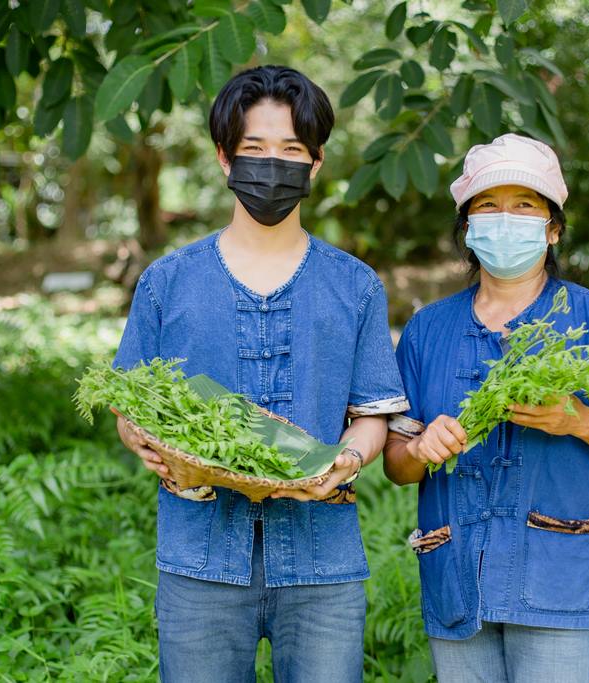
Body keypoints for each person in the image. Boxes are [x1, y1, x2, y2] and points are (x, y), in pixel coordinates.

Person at [112, 65, 408, 683]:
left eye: (291, 150)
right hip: (199, 561)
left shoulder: (354, 286)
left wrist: (341, 465)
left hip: (322, 564)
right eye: (254, 149)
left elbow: (373, 414)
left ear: (316, 164)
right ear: (225, 159)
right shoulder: (168, 283)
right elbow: (131, 403)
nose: (272, 164)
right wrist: (140, 437)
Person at [383, 134, 589, 683]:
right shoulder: (427, 329)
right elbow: (397, 465)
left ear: (552, 227)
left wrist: (579, 421)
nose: (504, 217)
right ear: (467, 227)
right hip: (457, 581)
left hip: (560, 582)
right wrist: (421, 448)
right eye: (487, 205)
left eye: (524, 205)